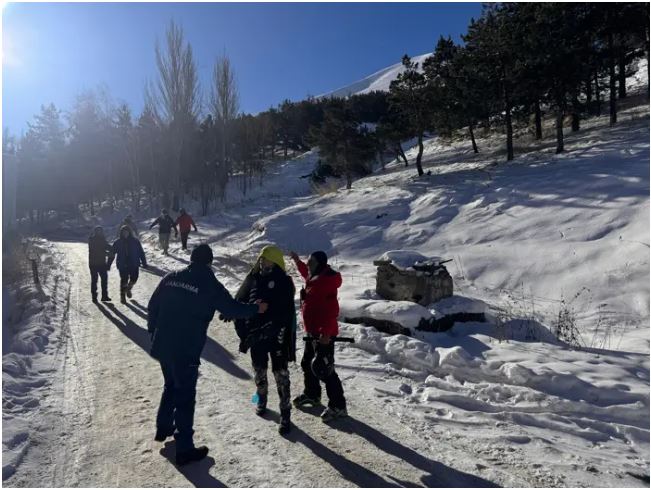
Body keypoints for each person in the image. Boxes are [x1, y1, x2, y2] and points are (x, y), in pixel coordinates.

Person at [147, 244, 268, 466]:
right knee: (184, 396)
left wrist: (153, 333)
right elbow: (231, 308)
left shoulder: (171, 277)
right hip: (186, 349)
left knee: (171, 385)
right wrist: (255, 309)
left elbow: (152, 306)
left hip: (163, 345)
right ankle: (184, 449)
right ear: (210, 262)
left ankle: (163, 428)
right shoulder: (209, 284)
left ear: (192, 259)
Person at [233, 245, 296, 435]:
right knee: (259, 370)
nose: (262, 261)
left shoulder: (284, 281)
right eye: (261, 258)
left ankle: (285, 412)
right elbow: (240, 300)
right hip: (256, 335)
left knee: (281, 375)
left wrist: (271, 316)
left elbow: (286, 310)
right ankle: (261, 398)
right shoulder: (252, 278)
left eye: (266, 258)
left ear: (275, 261)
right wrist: (241, 325)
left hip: (277, 335)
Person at [289, 250, 347, 422]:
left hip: (323, 334)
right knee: (307, 363)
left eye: (311, 262)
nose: (308, 264)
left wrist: (326, 334)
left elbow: (332, 312)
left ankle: (338, 406)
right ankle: (312, 394)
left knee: (325, 369)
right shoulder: (315, 276)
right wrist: (297, 260)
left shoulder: (326, 282)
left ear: (320, 264)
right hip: (312, 331)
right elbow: (305, 272)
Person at [109, 225, 148, 304]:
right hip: (122, 264)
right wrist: (108, 264)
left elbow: (141, 252)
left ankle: (129, 288)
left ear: (129, 232)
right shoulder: (118, 242)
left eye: (126, 232)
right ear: (121, 233)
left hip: (134, 263)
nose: (125, 233)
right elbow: (112, 253)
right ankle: (122, 296)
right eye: (123, 232)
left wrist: (144, 262)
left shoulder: (135, 241)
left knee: (134, 278)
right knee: (124, 280)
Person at [88, 226, 114, 303]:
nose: (99, 232)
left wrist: (113, 249)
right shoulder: (92, 240)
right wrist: (106, 253)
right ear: (95, 232)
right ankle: (94, 297)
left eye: (100, 231)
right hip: (93, 264)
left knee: (104, 280)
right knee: (94, 280)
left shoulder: (103, 239)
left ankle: (104, 296)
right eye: (98, 231)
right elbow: (96, 250)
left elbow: (107, 246)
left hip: (102, 263)